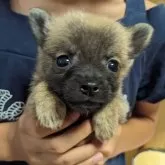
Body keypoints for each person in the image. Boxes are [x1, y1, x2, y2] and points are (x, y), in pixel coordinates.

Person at [0, 0, 165, 165]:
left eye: (112, 65)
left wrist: (111, 143)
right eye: (63, 61)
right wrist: (11, 142)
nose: (90, 83)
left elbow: (147, 121)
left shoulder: (155, 21)